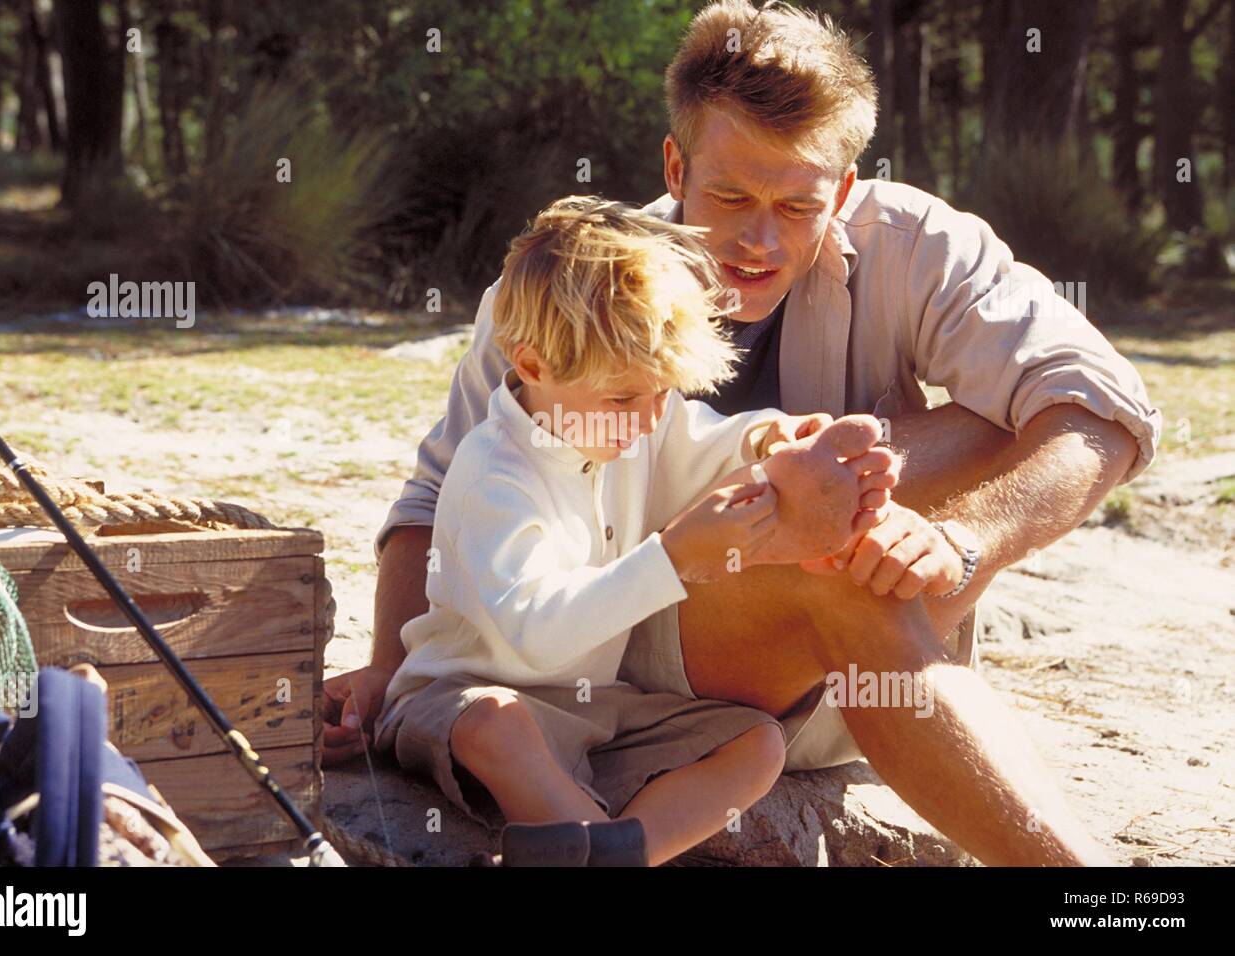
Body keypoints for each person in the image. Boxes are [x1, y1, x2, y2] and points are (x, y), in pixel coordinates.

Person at [330, 1, 1160, 866]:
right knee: (837, 564)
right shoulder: (563, 297)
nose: (758, 241)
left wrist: (961, 540)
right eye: (728, 195)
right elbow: (436, 493)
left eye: (797, 205)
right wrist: (390, 671)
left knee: (991, 428)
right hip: (619, 651)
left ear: (841, 188)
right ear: (674, 164)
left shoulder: (916, 242)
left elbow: (1105, 409)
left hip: (825, 672)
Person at [371, 196, 901, 866]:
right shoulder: (493, 476)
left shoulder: (630, 422)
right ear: (532, 366)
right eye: (625, 398)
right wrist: (674, 560)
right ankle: (576, 831)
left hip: (596, 711)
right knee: (497, 728)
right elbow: (539, 634)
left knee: (758, 742)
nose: (651, 418)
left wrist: (768, 436)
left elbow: (698, 442)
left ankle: (626, 848)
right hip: (461, 698)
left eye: (664, 392)